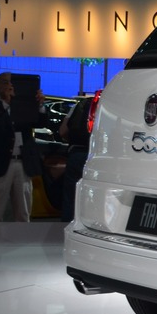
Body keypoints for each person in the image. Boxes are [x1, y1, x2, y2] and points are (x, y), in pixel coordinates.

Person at [0, 72, 47, 222]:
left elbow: (40, 123)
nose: (10, 86)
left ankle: (20, 242)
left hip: (23, 163)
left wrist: (39, 104)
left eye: (13, 83)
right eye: (5, 83)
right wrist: (8, 103)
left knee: (23, 211)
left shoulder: (26, 107)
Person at [58, 95, 93, 223]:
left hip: (76, 155)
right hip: (97, 157)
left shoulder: (80, 105)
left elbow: (62, 131)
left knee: (71, 198)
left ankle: (66, 231)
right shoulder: (110, 105)